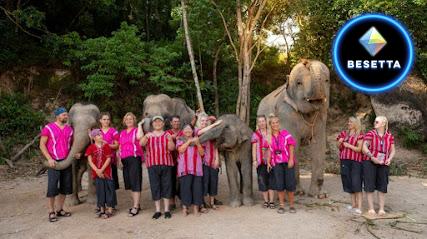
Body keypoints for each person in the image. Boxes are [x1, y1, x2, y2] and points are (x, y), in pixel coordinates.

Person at [39, 107, 74, 222]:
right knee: (52, 187)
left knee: (65, 187)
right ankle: (51, 211)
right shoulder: (48, 128)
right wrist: (49, 159)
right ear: (57, 116)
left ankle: (59, 209)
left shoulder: (70, 129)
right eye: (63, 114)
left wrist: (76, 153)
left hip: (66, 161)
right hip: (54, 162)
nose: (66, 116)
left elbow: (72, 145)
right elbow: (42, 145)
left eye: (66, 115)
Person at [139, 116, 175, 219]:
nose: (157, 123)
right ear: (152, 124)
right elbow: (141, 144)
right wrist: (146, 137)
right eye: (155, 122)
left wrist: (170, 140)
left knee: (167, 186)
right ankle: (158, 210)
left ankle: (167, 210)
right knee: (155, 186)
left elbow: (172, 148)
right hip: (152, 164)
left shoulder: (167, 134)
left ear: (163, 123)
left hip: (166, 163)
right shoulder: (148, 135)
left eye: (160, 121)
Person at [362, 116, 396, 216]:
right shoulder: (370, 133)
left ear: (383, 124)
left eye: (377, 121)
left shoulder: (389, 136)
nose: (375, 123)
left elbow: (393, 150)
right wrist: (372, 157)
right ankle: (371, 208)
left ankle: (381, 208)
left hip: (383, 163)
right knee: (369, 184)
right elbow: (364, 147)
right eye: (374, 121)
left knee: (382, 185)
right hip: (370, 162)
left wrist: (389, 159)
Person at [267, 114, 297, 214]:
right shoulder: (269, 137)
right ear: (270, 125)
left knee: (290, 184)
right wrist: (268, 161)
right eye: (273, 123)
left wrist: (291, 159)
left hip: (287, 162)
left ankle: (292, 205)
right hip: (276, 163)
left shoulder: (285, 133)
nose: (275, 124)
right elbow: (269, 150)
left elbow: (291, 145)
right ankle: (282, 206)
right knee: (280, 185)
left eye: (277, 122)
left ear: (279, 123)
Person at [336, 117, 364, 215]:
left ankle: (359, 207)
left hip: (356, 161)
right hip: (344, 160)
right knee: (348, 181)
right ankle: (353, 205)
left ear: (356, 124)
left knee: (356, 183)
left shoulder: (360, 135)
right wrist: (339, 143)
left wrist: (348, 145)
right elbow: (339, 147)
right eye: (348, 121)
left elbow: (359, 149)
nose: (348, 123)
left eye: (350, 122)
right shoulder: (344, 133)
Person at [86, 129, 115, 219]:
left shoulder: (106, 146)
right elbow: (90, 161)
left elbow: (108, 159)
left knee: (109, 190)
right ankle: (102, 209)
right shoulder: (91, 148)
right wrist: (97, 171)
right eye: (98, 135)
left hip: (107, 172)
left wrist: (101, 170)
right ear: (94, 138)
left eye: (101, 134)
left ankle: (110, 209)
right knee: (100, 190)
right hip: (97, 173)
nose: (101, 136)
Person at [118, 112, 144, 217]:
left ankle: (135, 206)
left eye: (131, 119)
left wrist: (139, 125)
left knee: (135, 182)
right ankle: (136, 204)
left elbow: (139, 137)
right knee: (129, 183)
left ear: (134, 120)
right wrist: (119, 159)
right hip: (124, 159)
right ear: (124, 121)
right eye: (127, 119)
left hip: (134, 158)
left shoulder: (137, 130)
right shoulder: (122, 133)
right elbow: (120, 146)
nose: (129, 121)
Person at [176, 124, 205, 216]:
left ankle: (196, 209)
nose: (188, 131)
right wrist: (189, 142)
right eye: (185, 129)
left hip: (197, 169)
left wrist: (197, 143)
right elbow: (180, 150)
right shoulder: (180, 139)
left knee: (197, 189)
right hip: (184, 168)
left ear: (193, 131)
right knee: (185, 189)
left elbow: (202, 153)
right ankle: (185, 208)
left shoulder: (198, 139)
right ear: (183, 131)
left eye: (189, 129)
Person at [196, 115, 222, 210]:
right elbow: (202, 131)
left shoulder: (212, 133)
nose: (204, 123)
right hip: (202, 162)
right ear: (199, 122)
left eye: (205, 121)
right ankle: (202, 204)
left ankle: (212, 202)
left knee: (213, 181)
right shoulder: (197, 132)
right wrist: (215, 124)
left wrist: (217, 159)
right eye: (202, 121)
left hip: (212, 160)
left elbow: (215, 147)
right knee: (204, 182)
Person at [252, 115, 275, 209]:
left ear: (266, 122)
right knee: (263, 181)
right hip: (260, 162)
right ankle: (266, 201)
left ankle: (272, 201)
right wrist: (254, 160)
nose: (261, 123)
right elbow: (254, 148)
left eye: (263, 121)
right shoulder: (255, 135)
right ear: (258, 123)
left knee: (271, 181)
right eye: (259, 121)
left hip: (271, 161)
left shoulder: (271, 133)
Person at [98, 112, 119, 209]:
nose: (106, 121)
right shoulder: (97, 132)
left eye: (108, 119)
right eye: (104, 119)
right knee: (101, 184)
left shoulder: (113, 131)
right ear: (100, 120)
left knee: (111, 184)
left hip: (111, 160)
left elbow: (117, 145)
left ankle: (111, 205)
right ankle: (102, 205)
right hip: (99, 162)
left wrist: (107, 145)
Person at [166, 115, 183, 210]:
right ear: (171, 123)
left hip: (181, 160)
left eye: (177, 121)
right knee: (171, 180)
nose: (176, 123)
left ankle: (182, 198)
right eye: (174, 121)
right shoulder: (167, 133)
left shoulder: (183, 132)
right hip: (170, 160)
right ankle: (172, 201)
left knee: (181, 180)